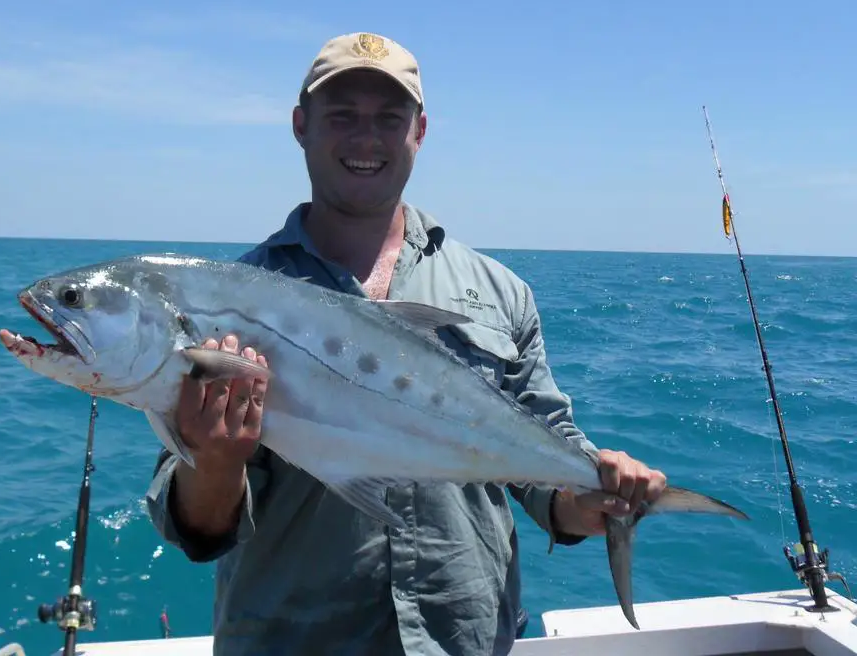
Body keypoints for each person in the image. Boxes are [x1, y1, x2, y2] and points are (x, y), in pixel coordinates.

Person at [145, 32, 668, 655]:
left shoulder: (498, 293)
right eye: (342, 116)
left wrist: (588, 502)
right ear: (300, 126)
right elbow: (200, 529)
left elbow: (543, 477)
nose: (366, 139)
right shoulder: (234, 303)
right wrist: (218, 460)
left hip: (463, 641)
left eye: (389, 119)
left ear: (419, 130)